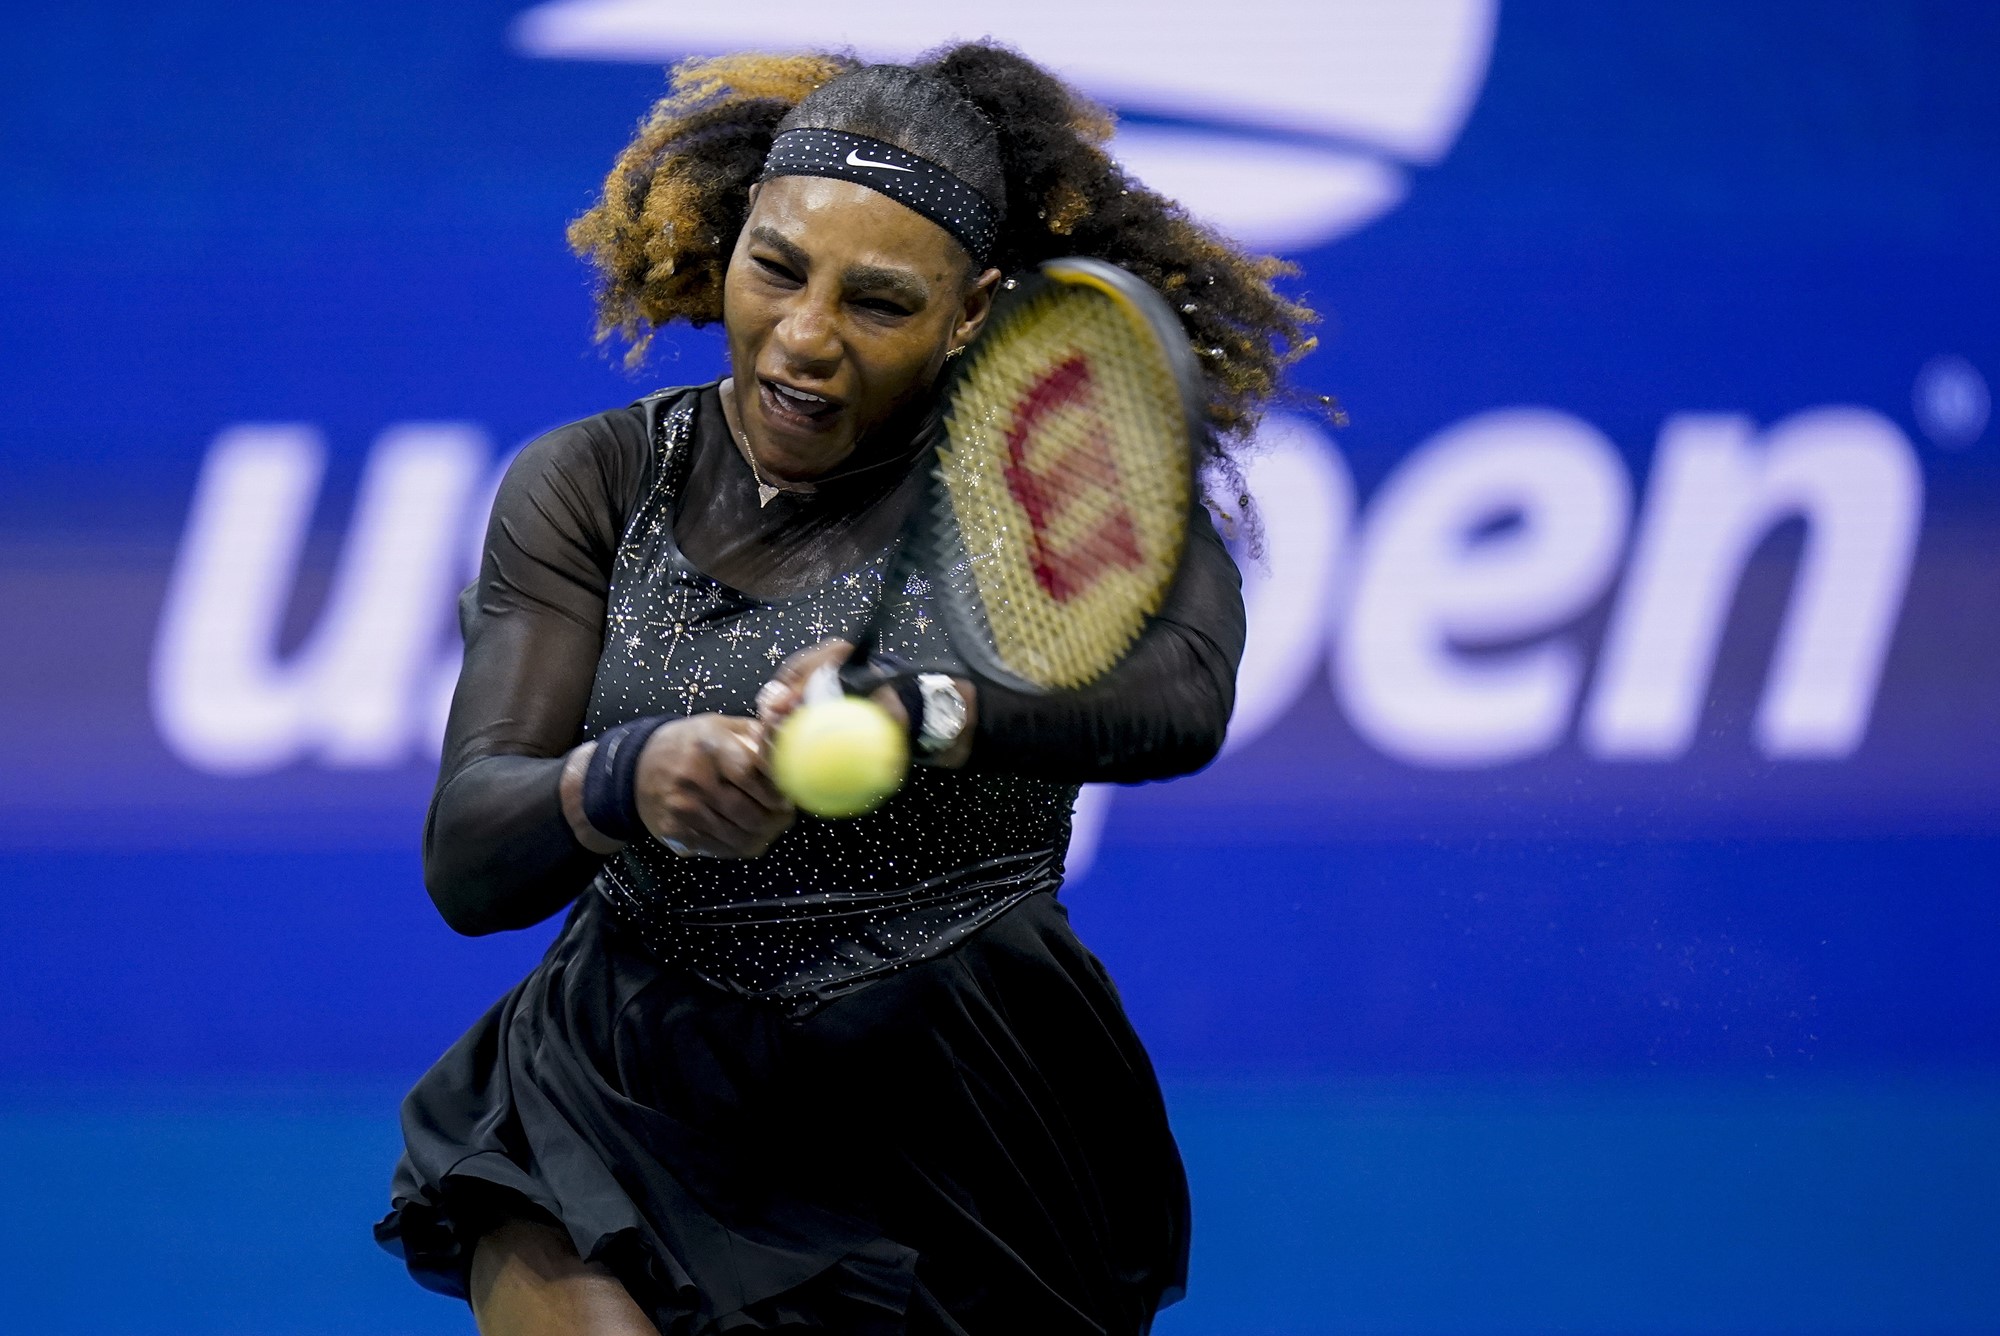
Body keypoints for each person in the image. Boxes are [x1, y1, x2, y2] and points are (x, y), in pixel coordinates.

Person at [374, 41, 1317, 1336]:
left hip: (961, 1109)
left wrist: (923, 712)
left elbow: (1182, 696)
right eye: (776, 269)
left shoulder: (1044, 484)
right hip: (628, 1082)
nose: (806, 336)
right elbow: (469, 855)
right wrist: (631, 776)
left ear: (973, 313)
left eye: (877, 302)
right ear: (736, 239)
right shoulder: (589, 481)